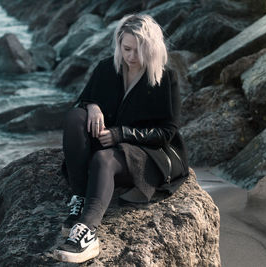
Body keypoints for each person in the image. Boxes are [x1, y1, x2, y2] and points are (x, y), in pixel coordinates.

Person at [53, 14, 189, 263]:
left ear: (153, 48)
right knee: (75, 118)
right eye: (126, 49)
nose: (131, 57)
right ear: (119, 45)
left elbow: (168, 132)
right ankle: (80, 196)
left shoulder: (166, 78)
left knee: (103, 160)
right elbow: (82, 101)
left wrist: (120, 134)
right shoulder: (107, 67)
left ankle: (88, 232)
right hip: (111, 144)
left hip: (147, 153)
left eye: (139, 50)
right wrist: (92, 105)